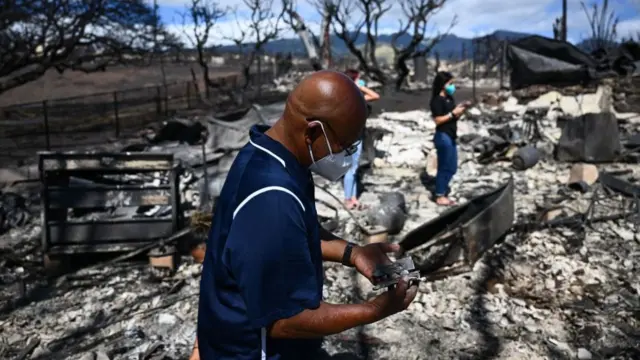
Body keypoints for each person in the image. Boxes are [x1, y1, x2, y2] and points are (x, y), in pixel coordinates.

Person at [195, 70, 418, 360]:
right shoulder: (272, 199)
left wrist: (353, 253)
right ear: (313, 132)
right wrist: (374, 310)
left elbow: (298, 232)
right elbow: (285, 321)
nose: (347, 155)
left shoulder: (271, 153)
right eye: (345, 145)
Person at [430, 71, 470, 206]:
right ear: (443, 85)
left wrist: (461, 110)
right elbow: (438, 120)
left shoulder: (449, 99)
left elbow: (452, 116)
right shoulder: (437, 100)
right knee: (444, 166)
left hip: (451, 134)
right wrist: (453, 114)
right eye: (450, 83)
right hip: (443, 136)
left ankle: (443, 189)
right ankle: (439, 195)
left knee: (452, 166)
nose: (452, 86)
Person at [342, 69, 380, 210]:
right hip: (349, 137)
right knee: (350, 168)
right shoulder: (348, 99)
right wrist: (360, 87)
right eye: (359, 79)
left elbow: (375, 96)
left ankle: (353, 197)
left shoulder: (355, 97)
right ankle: (348, 199)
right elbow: (374, 95)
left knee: (355, 168)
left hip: (358, 135)